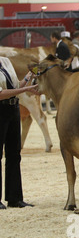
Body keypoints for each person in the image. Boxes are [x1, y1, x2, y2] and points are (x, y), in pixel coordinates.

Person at [0, 57, 39, 209]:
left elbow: (16, 85)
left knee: (14, 154)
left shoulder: (5, 61)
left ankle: (15, 198)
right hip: (1, 109)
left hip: (13, 108)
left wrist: (29, 76)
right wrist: (25, 90)